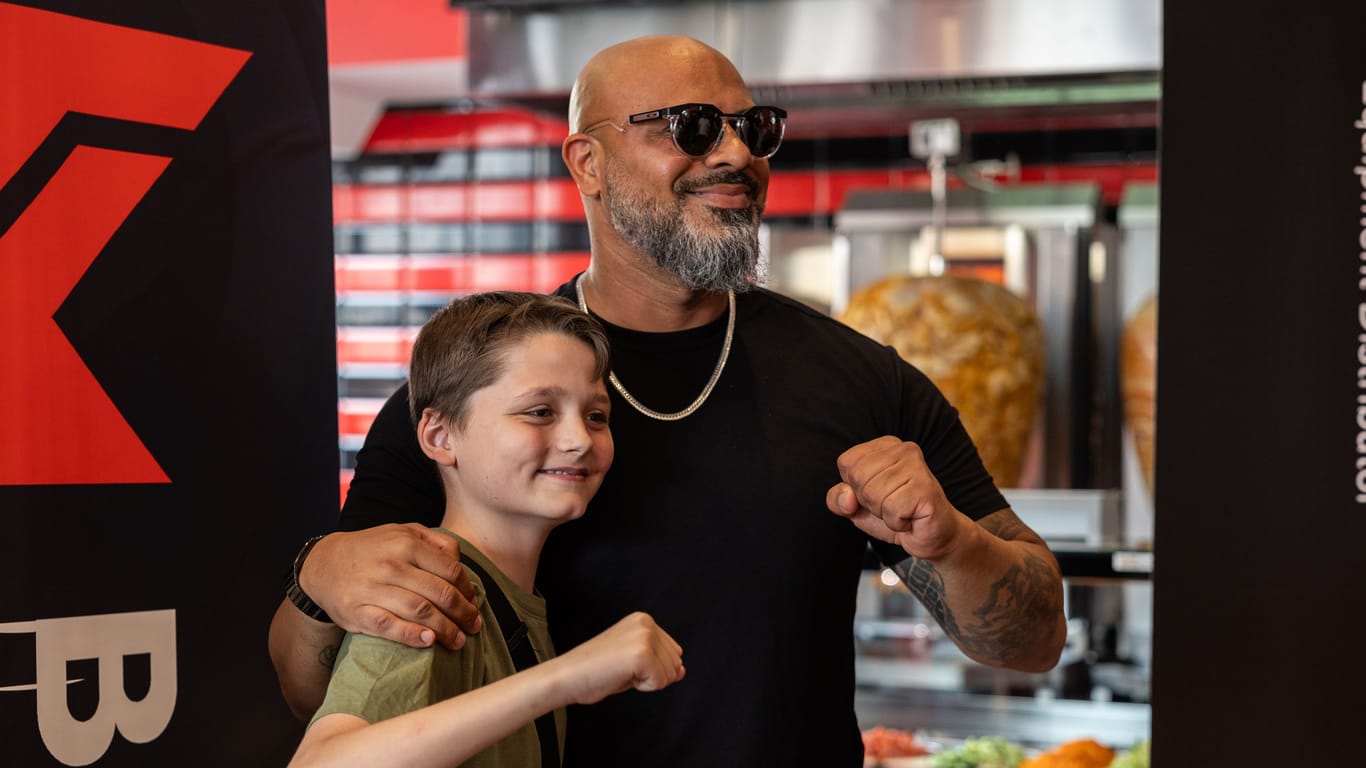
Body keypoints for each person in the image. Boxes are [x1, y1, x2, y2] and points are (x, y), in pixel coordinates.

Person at [269, 34, 1067, 767]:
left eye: (753, 129)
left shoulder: (861, 380)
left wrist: (953, 544)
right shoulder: (477, 395)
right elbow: (321, 695)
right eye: (691, 127)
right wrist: (320, 579)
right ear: (588, 162)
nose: (736, 155)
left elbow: (1034, 642)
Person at [287, 291, 684, 768]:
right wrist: (571, 676)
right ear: (439, 436)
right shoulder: (430, 597)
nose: (580, 439)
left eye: (596, 416)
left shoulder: (513, 599)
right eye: (539, 411)